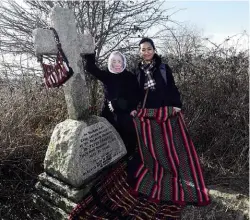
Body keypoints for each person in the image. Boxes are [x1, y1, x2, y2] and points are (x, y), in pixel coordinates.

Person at [127, 37, 211, 217]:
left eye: (149, 49)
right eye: (143, 49)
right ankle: (160, 173)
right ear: (139, 52)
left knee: (170, 146)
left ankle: (175, 173)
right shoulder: (137, 71)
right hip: (148, 116)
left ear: (154, 50)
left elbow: (172, 88)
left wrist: (177, 105)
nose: (146, 52)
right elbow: (135, 93)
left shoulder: (164, 68)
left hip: (166, 113)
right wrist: (134, 109)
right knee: (154, 148)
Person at [83, 51, 139, 156]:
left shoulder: (130, 77)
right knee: (108, 139)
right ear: (110, 63)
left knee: (127, 139)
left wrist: (118, 103)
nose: (117, 64)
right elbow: (90, 68)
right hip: (108, 114)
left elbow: (135, 97)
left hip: (125, 112)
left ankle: (128, 157)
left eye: (119, 61)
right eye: (114, 61)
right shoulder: (107, 75)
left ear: (123, 63)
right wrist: (90, 52)